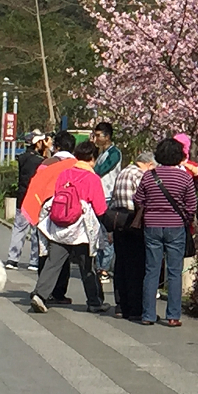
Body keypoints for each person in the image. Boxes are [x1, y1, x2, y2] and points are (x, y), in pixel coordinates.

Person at [28, 140, 109, 314]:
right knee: (87, 266)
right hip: (81, 229)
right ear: (92, 158)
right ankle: (94, 301)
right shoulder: (92, 178)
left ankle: (40, 295)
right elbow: (100, 208)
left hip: (59, 225)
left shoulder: (64, 174)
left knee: (53, 263)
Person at [134, 137, 197, 327]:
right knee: (174, 272)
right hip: (176, 226)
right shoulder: (184, 177)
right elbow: (192, 205)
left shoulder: (149, 176)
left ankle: (148, 315)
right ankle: (173, 316)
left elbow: (138, 199)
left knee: (151, 270)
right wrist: (183, 218)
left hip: (152, 226)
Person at [21, 131, 79, 304]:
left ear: (57, 147)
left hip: (46, 213)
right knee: (63, 252)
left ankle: (43, 289)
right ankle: (59, 292)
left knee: (44, 251)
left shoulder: (47, 163)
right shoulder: (76, 165)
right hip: (68, 213)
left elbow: (37, 186)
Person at [106, 150, 154, 321]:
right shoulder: (141, 175)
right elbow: (142, 200)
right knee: (136, 266)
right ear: (149, 164)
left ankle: (120, 306)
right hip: (133, 222)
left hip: (117, 221)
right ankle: (134, 308)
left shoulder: (124, 172)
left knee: (121, 265)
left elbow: (113, 198)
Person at [4, 132, 51, 270]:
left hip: (22, 196)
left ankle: (12, 259)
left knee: (19, 228)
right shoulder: (40, 160)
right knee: (36, 230)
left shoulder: (22, 157)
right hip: (35, 199)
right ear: (38, 143)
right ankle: (34, 261)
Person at [91, 122, 121, 283]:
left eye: (98, 135)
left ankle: (104, 268)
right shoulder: (102, 153)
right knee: (99, 234)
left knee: (107, 234)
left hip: (108, 197)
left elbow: (101, 171)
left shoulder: (114, 153)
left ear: (107, 136)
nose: (95, 138)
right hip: (100, 196)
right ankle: (99, 265)